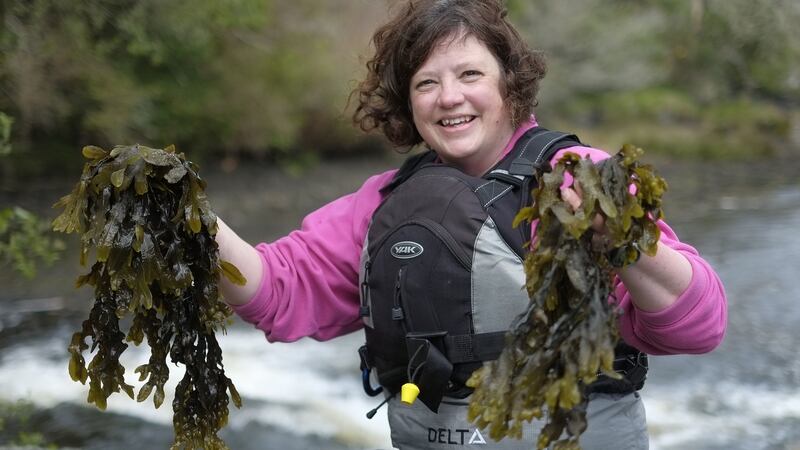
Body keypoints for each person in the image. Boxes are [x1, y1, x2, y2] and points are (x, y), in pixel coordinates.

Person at [214, 0, 727, 448]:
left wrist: (622, 241)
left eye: (470, 75)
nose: (449, 97)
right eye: (426, 83)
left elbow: (700, 325)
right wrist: (197, 224)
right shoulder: (383, 205)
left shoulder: (580, 180)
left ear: (510, 83)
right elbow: (277, 289)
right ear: (408, 103)